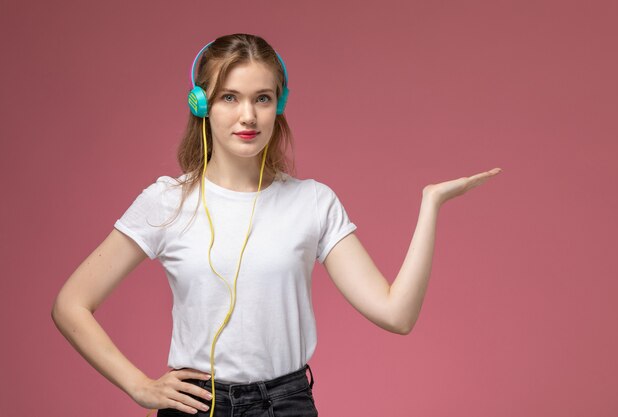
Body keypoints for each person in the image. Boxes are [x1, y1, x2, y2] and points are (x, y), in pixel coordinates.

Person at [51, 33, 502, 417]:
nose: (248, 115)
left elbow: (396, 315)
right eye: (230, 97)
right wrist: (138, 385)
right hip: (197, 405)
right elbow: (71, 304)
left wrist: (431, 204)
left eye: (262, 99)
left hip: (285, 404)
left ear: (278, 105)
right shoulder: (167, 201)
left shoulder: (312, 202)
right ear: (201, 103)